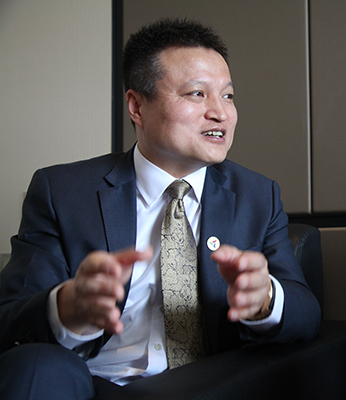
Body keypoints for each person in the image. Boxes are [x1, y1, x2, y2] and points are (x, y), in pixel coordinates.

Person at [0, 18, 321, 399]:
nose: (220, 113)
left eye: (228, 96)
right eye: (197, 94)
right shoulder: (63, 192)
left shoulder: (257, 195)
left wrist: (265, 297)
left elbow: (306, 311)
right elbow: (10, 319)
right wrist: (67, 307)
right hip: (95, 384)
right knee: (37, 367)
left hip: (209, 386)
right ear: (137, 106)